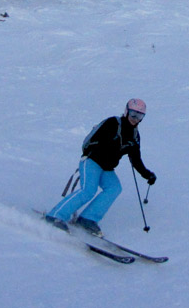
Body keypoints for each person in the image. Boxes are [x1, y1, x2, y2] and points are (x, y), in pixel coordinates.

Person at [45, 98, 157, 236]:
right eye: (133, 114)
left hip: (107, 168)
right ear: (126, 112)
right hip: (91, 161)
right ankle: (55, 216)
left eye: (140, 116)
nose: (135, 119)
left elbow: (136, 159)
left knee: (114, 188)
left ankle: (87, 219)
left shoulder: (134, 136)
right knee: (88, 190)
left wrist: (147, 174)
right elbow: (94, 141)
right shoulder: (113, 123)